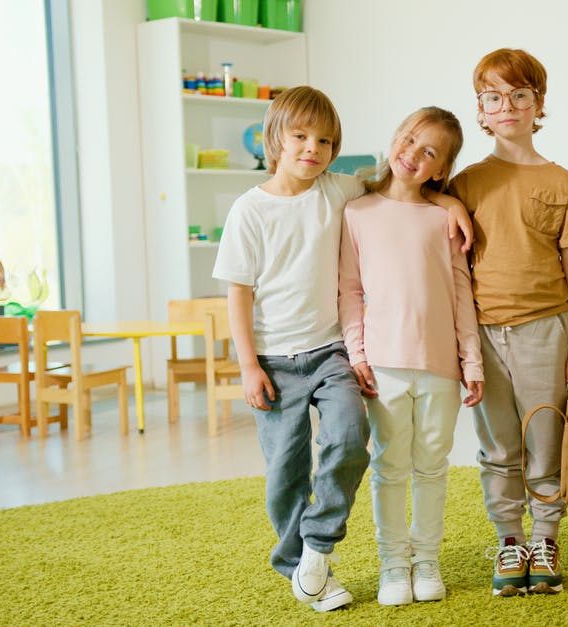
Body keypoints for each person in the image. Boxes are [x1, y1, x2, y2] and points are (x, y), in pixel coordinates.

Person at [212, 86, 472, 613]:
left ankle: (319, 542)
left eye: (326, 139)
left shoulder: (340, 191)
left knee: (353, 437)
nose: (313, 147)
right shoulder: (249, 210)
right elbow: (236, 292)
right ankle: (302, 567)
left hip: (331, 351)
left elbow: (401, 189)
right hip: (272, 360)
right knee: (286, 468)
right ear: (275, 139)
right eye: (301, 136)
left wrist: (447, 199)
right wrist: (246, 365)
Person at [448, 48, 568, 597]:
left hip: (547, 329)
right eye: (493, 97)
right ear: (480, 111)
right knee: (497, 446)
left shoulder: (561, 182)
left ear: (539, 105)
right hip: (483, 335)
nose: (506, 105)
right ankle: (509, 540)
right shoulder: (464, 183)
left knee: (546, 438)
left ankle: (545, 537)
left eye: (519, 95)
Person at [338, 106, 484, 606]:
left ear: (441, 170)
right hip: (383, 365)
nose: (413, 155)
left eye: (429, 152)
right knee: (390, 467)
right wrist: (357, 353)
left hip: (441, 365)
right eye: (409, 139)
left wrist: (472, 361)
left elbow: (461, 292)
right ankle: (394, 565)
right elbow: (350, 292)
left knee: (432, 466)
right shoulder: (356, 212)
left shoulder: (444, 215)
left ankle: (427, 560)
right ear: (394, 136)